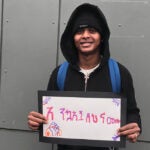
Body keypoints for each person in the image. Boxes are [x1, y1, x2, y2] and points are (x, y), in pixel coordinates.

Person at [28, 3, 141, 150]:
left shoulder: (119, 73)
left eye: (92, 30)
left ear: (101, 37)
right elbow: (48, 117)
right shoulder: (59, 74)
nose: (85, 35)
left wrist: (134, 127)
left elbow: (132, 112)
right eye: (79, 31)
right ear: (73, 39)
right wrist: (36, 122)